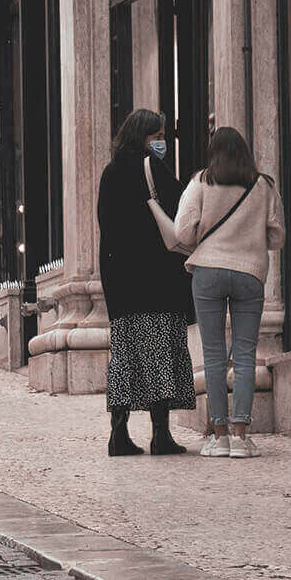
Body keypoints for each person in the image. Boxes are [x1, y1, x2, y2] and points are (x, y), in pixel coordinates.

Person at [174, 126, 284, 459]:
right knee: (247, 355)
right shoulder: (263, 185)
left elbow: (183, 231)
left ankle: (218, 436)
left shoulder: (201, 182)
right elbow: (277, 237)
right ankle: (241, 436)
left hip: (208, 271)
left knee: (213, 355)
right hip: (249, 273)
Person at [96, 109, 195, 457]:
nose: (162, 141)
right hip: (155, 278)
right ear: (144, 136)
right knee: (159, 354)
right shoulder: (151, 166)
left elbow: (105, 227)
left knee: (124, 355)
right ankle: (160, 434)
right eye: (158, 135)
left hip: (121, 281)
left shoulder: (109, 173)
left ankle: (118, 434)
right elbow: (181, 209)